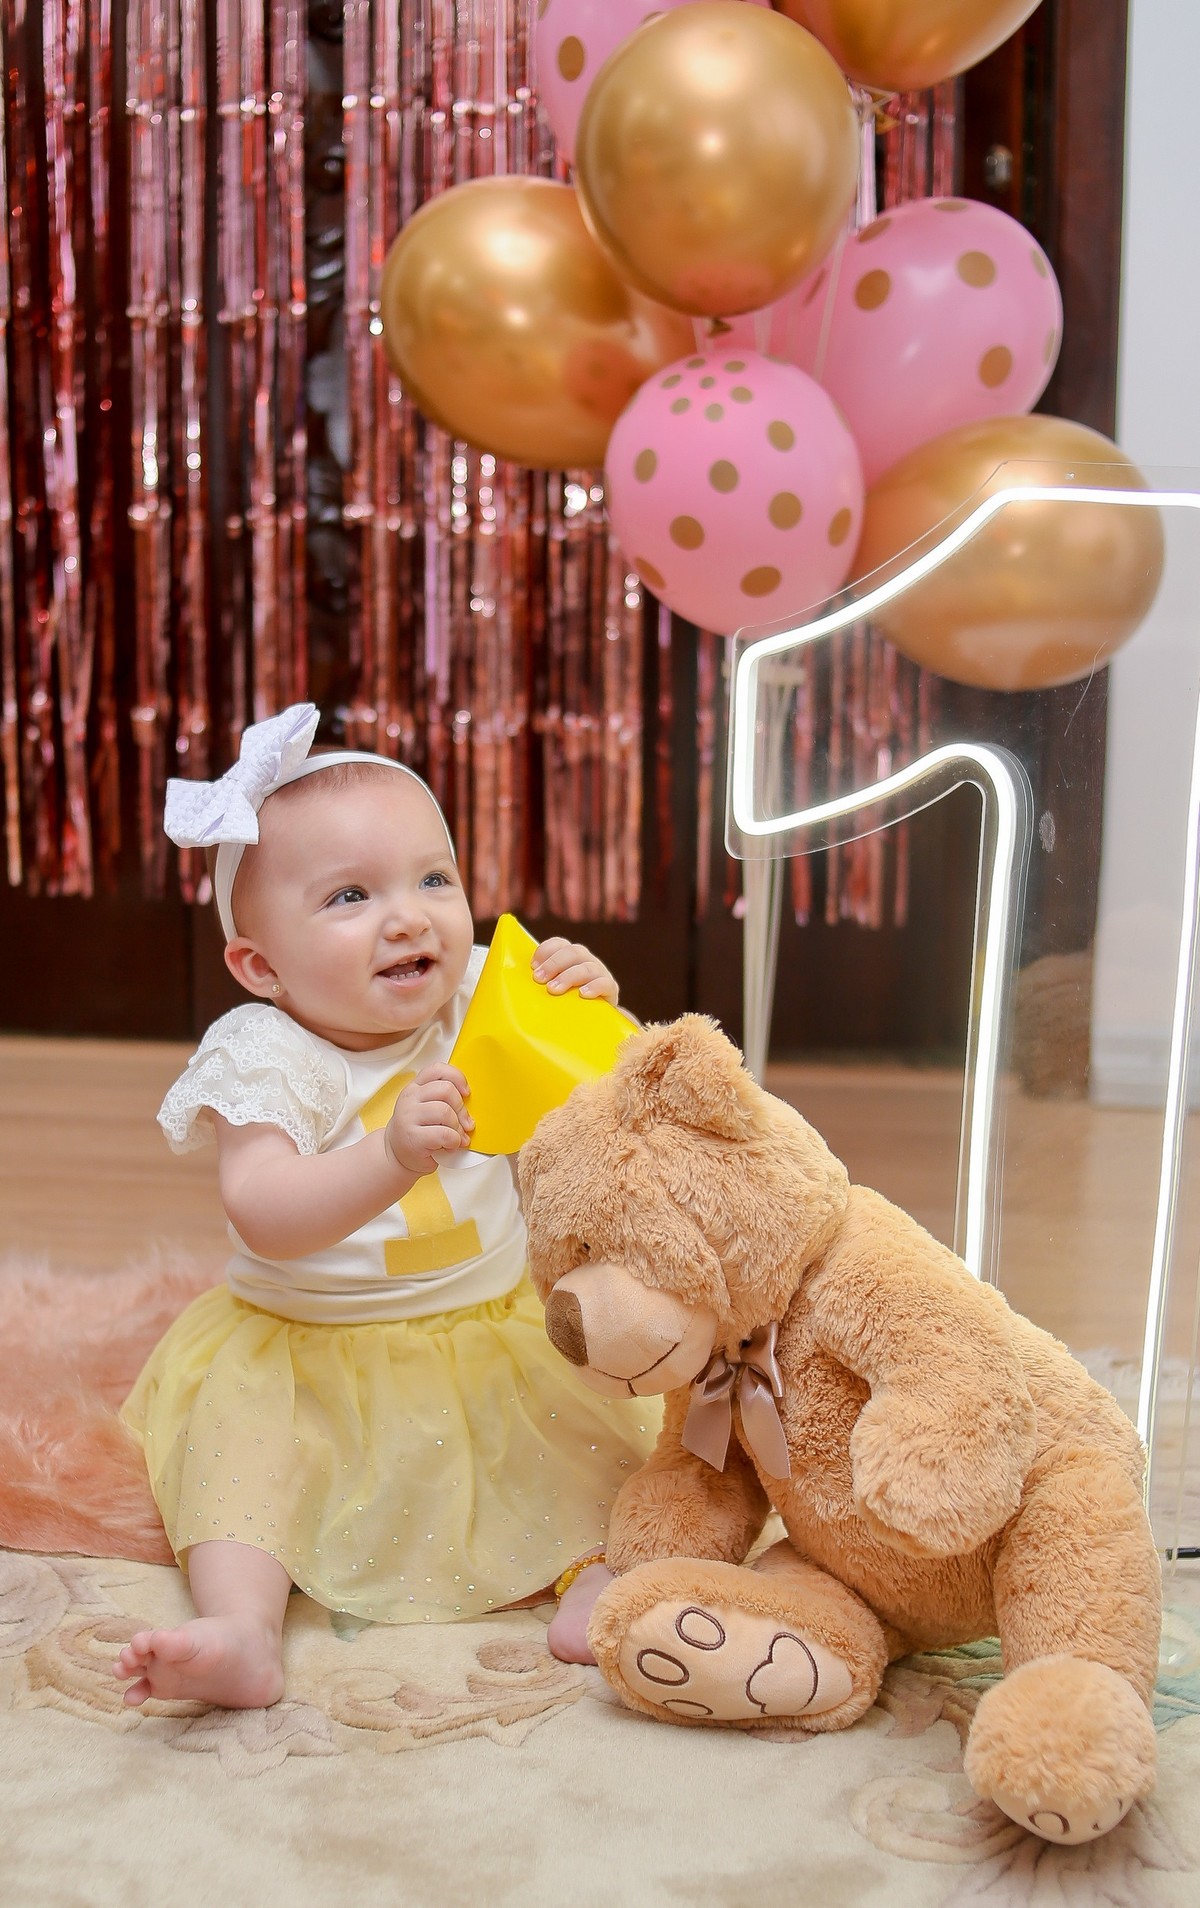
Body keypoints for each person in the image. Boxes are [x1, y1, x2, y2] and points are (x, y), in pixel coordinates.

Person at [112, 705, 652, 1710]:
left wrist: (599, 1008)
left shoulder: (480, 992)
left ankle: (599, 1571)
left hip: (490, 1324)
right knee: (245, 1466)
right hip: (304, 1345)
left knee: (577, 1443)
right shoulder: (264, 1054)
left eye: (433, 879)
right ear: (261, 967)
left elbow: (606, 1100)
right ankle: (240, 1627)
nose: (410, 918)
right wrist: (389, 1155)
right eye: (351, 896)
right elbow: (264, 1210)